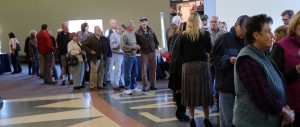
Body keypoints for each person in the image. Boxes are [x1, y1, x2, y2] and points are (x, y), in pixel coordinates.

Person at [233, 14, 294, 127]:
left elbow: (277, 82)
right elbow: (262, 96)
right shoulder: (247, 59)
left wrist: (285, 105)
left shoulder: (263, 55)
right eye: (268, 31)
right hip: (252, 123)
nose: (272, 35)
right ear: (256, 35)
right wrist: (285, 112)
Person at [210, 15, 249, 127]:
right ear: (236, 25)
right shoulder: (224, 38)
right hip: (227, 86)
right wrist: (228, 59)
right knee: (228, 120)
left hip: (244, 87)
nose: (244, 34)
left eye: (247, 31)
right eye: (242, 30)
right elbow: (212, 58)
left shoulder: (248, 40)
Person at [178, 12, 213, 127]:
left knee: (190, 93)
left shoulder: (183, 36)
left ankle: (192, 119)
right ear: (199, 21)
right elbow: (210, 50)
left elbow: (180, 53)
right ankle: (206, 119)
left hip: (188, 67)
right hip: (202, 65)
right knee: (204, 93)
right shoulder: (205, 34)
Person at [271, 11, 300, 127]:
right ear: (294, 24)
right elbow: (272, 80)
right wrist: (296, 70)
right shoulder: (281, 46)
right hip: (291, 109)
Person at [169, 22, 190, 122]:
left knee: (178, 91)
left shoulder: (175, 36)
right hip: (180, 67)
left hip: (174, 66)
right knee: (181, 91)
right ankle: (181, 113)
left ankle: (180, 112)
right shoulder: (183, 37)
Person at [208, 16, 226, 113]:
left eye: (215, 22)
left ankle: (219, 104)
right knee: (210, 83)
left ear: (219, 23)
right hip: (210, 62)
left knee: (219, 83)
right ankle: (211, 103)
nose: (213, 23)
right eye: (212, 22)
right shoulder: (206, 34)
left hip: (220, 61)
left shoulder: (224, 34)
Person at [136, 16, 159, 92]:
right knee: (144, 71)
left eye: (145, 21)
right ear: (140, 23)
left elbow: (156, 41)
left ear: (147, 22)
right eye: (142, 21)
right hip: (144, 53)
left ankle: (153, 85)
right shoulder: (137, 33)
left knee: (153, 70)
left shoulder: (151, 31)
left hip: (153, 52)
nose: (144, 23)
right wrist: (139, 50)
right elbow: (136, 43)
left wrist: (155, 48)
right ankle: (144, 86)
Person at [82, 26, 107, 91]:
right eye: (97, 30)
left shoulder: (102, 38)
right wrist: (90, 51)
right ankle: (93, 86)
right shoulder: (91, 37)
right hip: (94, 57)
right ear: (94, 30)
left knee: (101, 71)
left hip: (102, 56)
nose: (99, 31)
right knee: (94, 71)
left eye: (100, 29)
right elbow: (84, 45)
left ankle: (99, 85)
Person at [120, 21, 142, 95]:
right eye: (133, 25)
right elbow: (122, 46)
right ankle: (127, 88)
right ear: (129, 27)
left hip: (134, 55)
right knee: (128, 73)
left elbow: (134, 43)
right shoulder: (124, 35)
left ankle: (133, 87)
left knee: (135, 72)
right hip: (128, 56)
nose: (134, 26)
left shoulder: (133, 34)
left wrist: (137, 46)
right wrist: (133, 47)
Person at [110, 25, 126, 91]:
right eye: (122, 31)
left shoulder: (123, 35)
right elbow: (112, 46)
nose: (123, 32)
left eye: (123, 31)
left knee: (122, 70)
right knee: (118, 70)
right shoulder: (113, 35)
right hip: (117, 54)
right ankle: (115, 85)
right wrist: (119, 44)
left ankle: (121, 83)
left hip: (124, 54)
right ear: (119, 29)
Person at [78, 22, 93, 87]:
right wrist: (86, 43)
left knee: (90, 67)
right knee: (83, 67)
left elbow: (92, 41)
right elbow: (80, 42)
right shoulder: (80, 33)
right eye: (87, 26)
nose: (88, 27)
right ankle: (82, 81)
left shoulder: (91, 33)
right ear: (84, 27)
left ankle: (90, 80)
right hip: (83, 52)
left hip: (89, 52)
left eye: (88, 26)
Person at [104, 19, 117, 85]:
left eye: (115, 23)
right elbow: (106, 41)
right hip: (110, 52)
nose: (114, 24)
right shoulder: (107, 32)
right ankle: (108, 78)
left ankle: (117, 79)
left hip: (117, 52)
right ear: (110, 24)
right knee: (109, 66)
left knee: (117, 66)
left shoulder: (118, 31)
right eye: (112, 23)